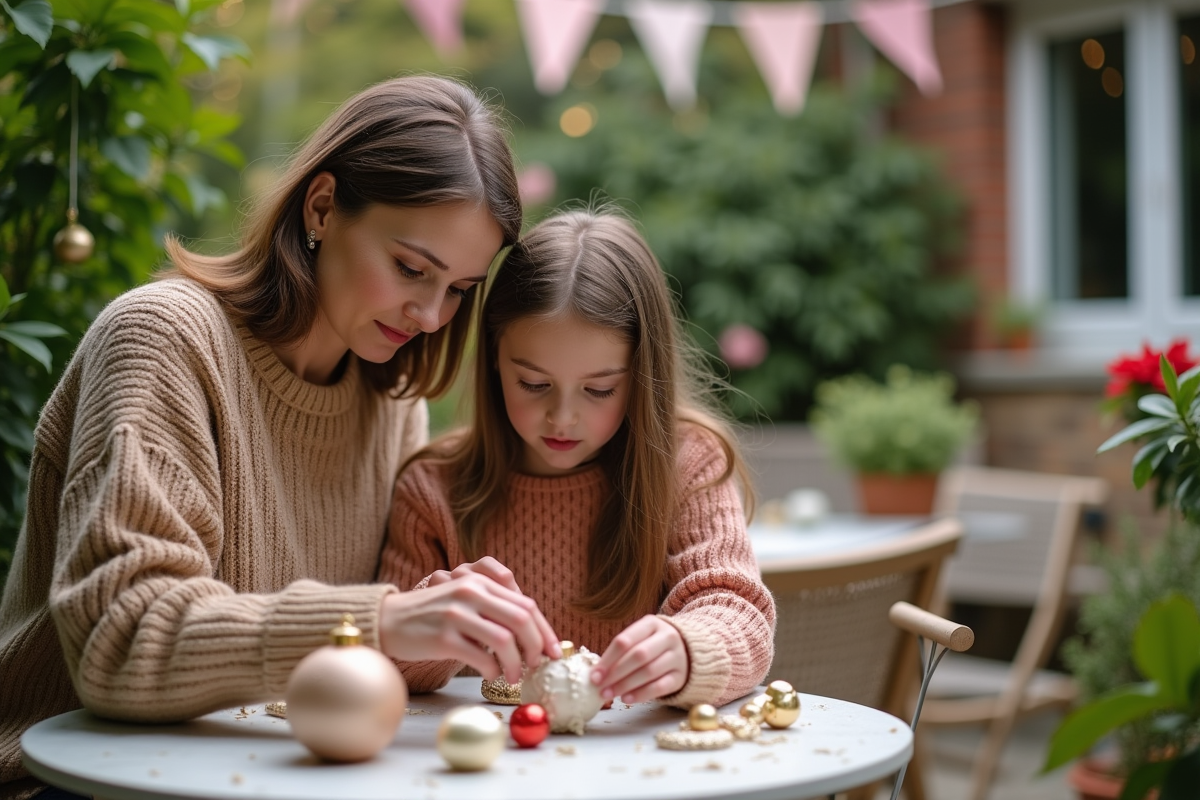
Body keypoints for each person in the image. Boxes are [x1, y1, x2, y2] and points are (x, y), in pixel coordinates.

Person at [0, 75, 560, 800]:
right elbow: (122, 644)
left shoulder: (392, 405)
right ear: (322, 206)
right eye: (410, 269)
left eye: (458, 290)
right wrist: (384, 620)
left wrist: (441, 620)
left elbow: (359, 669)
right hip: (81, 784)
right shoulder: (164, 341)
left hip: (273, 776)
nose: (429, 314)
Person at [380, 209, 775, 709]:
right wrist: (430, 621)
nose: (562, 417)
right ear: (494, 360)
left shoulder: (687, 463)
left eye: (599, 389)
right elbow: (380, 665)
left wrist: (689, 650)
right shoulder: (432, 488)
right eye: (534, 384)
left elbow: (736, 608)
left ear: (641, 376)